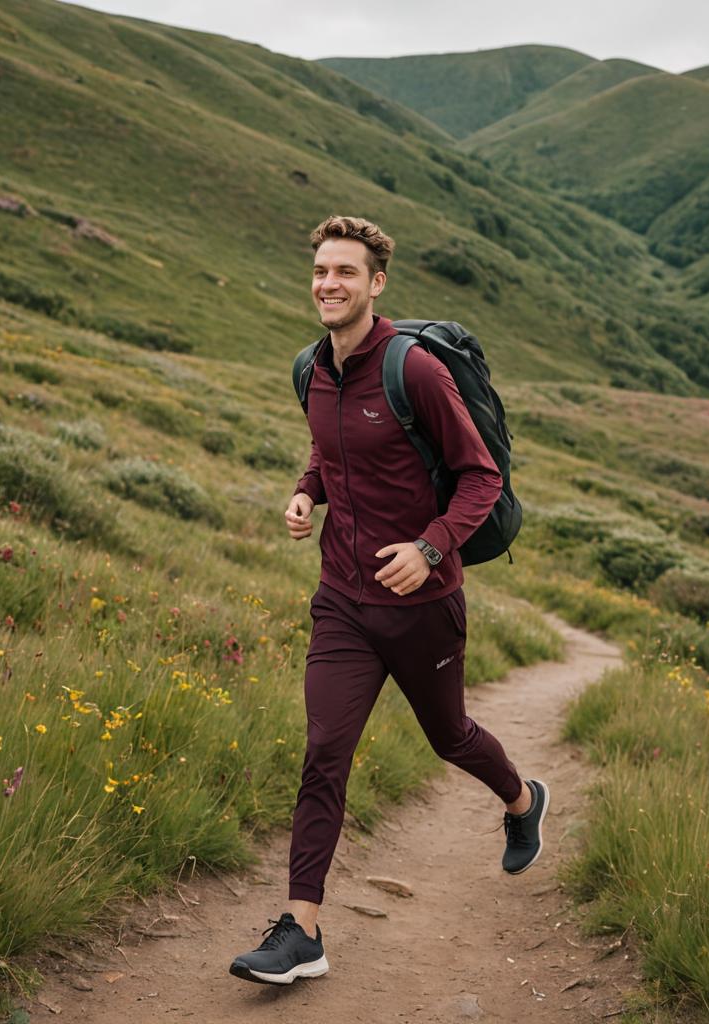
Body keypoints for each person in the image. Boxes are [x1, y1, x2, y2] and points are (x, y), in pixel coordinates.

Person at [228, 216, 548, 987]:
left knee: (449, 735)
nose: (328, 284)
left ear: (376, 284)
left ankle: (520, 798)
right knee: (324, 753)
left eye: (346, 272)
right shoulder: (311, 367)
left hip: (422, 604)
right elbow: (325, 451)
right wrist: (307, 495)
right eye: (320, 271)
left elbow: (481, 478)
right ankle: (301, 931)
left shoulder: (415, 370)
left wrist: (430, 547)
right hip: (342, 599)